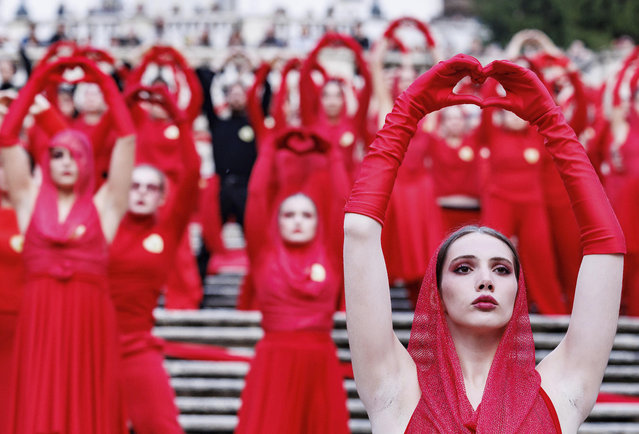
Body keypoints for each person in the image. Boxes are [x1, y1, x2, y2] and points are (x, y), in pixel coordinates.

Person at [343, 55, 624, 432]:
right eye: (463, 267)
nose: (485, 280)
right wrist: (408, 111)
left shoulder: (564, 389)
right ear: (436, 291)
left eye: (502, 269)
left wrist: (551, 120)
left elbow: (606, 247)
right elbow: (360, 232)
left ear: (518, 289)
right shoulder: (393, 387)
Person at [1, 57, 135, 433]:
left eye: (74, 154)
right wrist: (39, 79)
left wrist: (102, 79)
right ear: (45, 160)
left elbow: (127, 138)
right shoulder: (28, 200)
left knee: (88, 398)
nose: (64, 161)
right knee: (38, 397)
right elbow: (8, 137)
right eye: (56, 154)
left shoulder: (104, 206)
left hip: (88, 316)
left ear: (87, 162)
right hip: (40, 313)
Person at [235, 127, 350, 433]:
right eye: (289, 215)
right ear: (277, 220)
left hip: (320, 363)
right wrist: (270, 149)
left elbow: (344, 202)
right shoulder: (264, 253)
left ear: (318, 221)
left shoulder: (331, 255)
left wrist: (333, 155)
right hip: (274, 363)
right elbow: (258, 196)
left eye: (306, 215)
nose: (297, 221)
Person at [109, 85, 198, 433]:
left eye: (151, 188)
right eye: (135, 186)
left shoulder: (166, 231)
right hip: (91, 346)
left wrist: (177, 114)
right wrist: (124, 103)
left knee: (162, 425)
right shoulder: (103, 222)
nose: (142, 193)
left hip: (137, 349)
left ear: (162, 196)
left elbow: (190, 172)